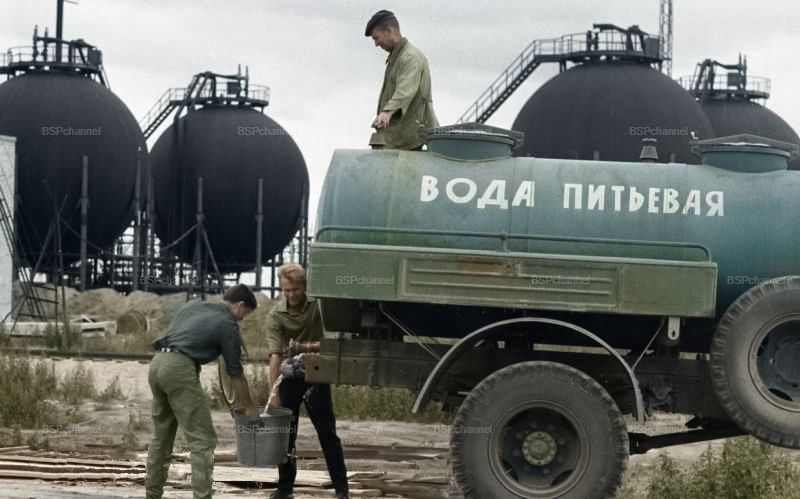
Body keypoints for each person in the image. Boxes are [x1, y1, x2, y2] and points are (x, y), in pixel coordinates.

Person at [145, 284, 258, 499]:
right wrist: (249, 407)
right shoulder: (228, 324)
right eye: (246, 313)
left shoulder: (194, 305)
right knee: (202, 440)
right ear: (240, 305)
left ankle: (152, 495)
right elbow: (235, 372)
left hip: (158, 363)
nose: (243, 319)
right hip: (179, 369)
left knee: (161, 437)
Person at [265, 263, 349, 499]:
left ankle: (342, 490)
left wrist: (308, 347)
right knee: (286, 434)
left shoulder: (319, 306)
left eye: (295, 289)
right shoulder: (275, 316)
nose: (291, 295)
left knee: (327, 433)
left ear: (305, 286)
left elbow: (336, 339)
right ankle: (285, 489)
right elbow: (275, 357)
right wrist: (274, 394)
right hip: (288, 378)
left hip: (316, 374)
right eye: (286, 290)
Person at [366, 9, 439, 150]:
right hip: (397, 138)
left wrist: (387, 112)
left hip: (410, 140)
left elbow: (405, 91)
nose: (376, 44)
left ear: (389, 31)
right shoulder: (397, 57)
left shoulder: (410, 58)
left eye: (376, 38)